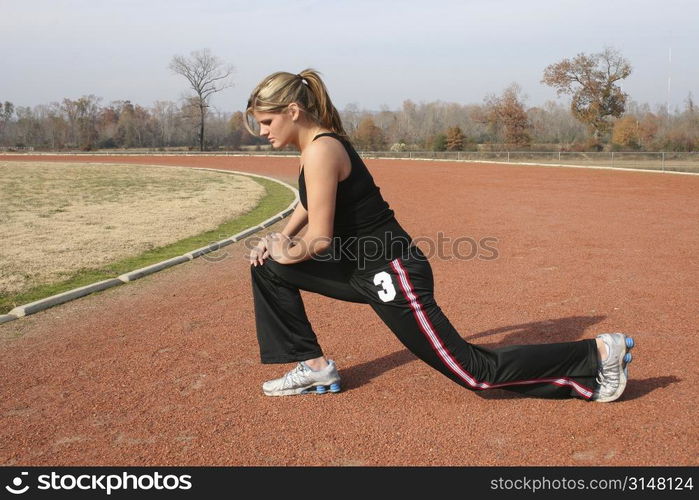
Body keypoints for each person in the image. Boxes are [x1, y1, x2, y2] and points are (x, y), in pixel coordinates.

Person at [245, 69, 634, 401]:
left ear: (292, 111)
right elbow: (311, 203)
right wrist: (276, 240)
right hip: (357, 267)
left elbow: (320, 241)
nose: (262, 131)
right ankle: (314, 368)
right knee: (266, 266)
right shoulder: (315, 146)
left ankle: (595, 354)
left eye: (266, 121)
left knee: (475, 373)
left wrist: (286, 250)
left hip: (391, 271)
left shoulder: (320, 150)